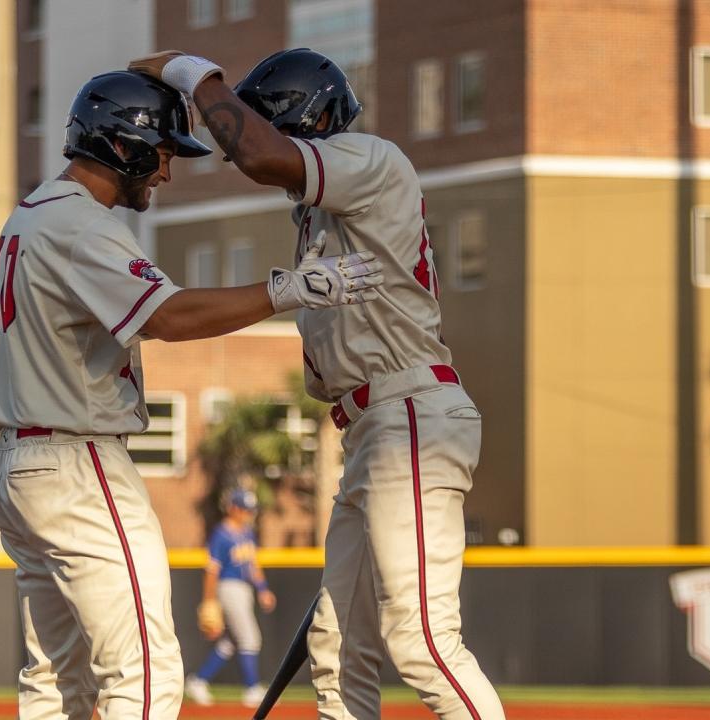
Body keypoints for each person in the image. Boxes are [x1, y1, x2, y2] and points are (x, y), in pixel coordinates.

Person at [0, 69, 385, 720]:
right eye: (163, 152)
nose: (166, 172)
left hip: (16, 466)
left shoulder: (29, 216)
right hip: (74, 462)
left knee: (56, 682)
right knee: (144, 671)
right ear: (123, 145)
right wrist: (288, 290)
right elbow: (167, 316)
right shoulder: (81, 224)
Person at [128, 49, 507, 720]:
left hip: (410, 413)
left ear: (311, 118)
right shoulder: (318, 215)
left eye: (275, 123)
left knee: (420, 639)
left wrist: (192, 72)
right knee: (335, 650)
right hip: (374, 427)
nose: (262, 139)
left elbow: (260, 154)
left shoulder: (368, 157)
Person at [185, 488, 276, 708]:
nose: (248, 513)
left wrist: (263, 589)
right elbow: (212, 570)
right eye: (244, 509)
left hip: (244, 588)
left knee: (231, 642)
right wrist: (209, 600)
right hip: (228, 587)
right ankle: (252, 688)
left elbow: (253, 565)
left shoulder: (247, 533)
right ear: (233, 508)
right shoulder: (221, 534)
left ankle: (198, 681)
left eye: (250, 510)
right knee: (250, 637)